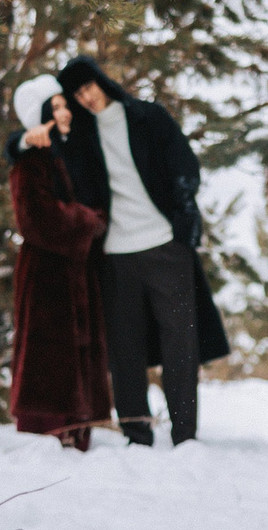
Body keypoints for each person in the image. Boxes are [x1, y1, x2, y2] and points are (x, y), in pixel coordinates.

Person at [24, 56, 229, 446]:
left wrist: (183, 219)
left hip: (166, 246)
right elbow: (49, 169)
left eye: (89, 87)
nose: (86, 98)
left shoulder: (148, 116)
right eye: (77, 94)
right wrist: (34, 139)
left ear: (102, 81)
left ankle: (186, 436)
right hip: (115, 255)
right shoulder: (80, 137)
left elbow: (185, 166)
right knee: (124, 349)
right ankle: (136, 433)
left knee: (180, 346)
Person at [2, 81, 113, 451]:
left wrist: (90, 220)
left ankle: (77, 426)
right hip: (46, 273)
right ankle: (48, 426)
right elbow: (35, 217)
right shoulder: (31, 160)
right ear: (41, 115)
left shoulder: (66, 153)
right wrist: (88, 221)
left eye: (66, 105)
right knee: (49, 350)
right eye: (56, 106)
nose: (65, 112)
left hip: (75, 270)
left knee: (77, 346)